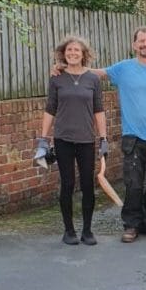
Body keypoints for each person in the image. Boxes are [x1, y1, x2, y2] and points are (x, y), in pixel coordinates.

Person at [53, 26, 146, 243]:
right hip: (132, 137)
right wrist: (66, 67)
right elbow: (97, 73)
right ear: (134, 45)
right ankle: (131, 225)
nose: (145, 45)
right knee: (132, 184)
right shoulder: (123, 68)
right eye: (141, 41)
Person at [39, 36, 108, 246]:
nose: (73, 53)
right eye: (69, 50)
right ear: (64, 53)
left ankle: (87, 230)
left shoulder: (93, 80)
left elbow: (98, 109)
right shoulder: (57, 78)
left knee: (87, 185)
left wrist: (103, 138)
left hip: (86, 139)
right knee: (67, 185)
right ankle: (69, 230)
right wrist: (43, 138)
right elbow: (50, 108)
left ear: (83, 54)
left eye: (77, 50)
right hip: (63, 139)